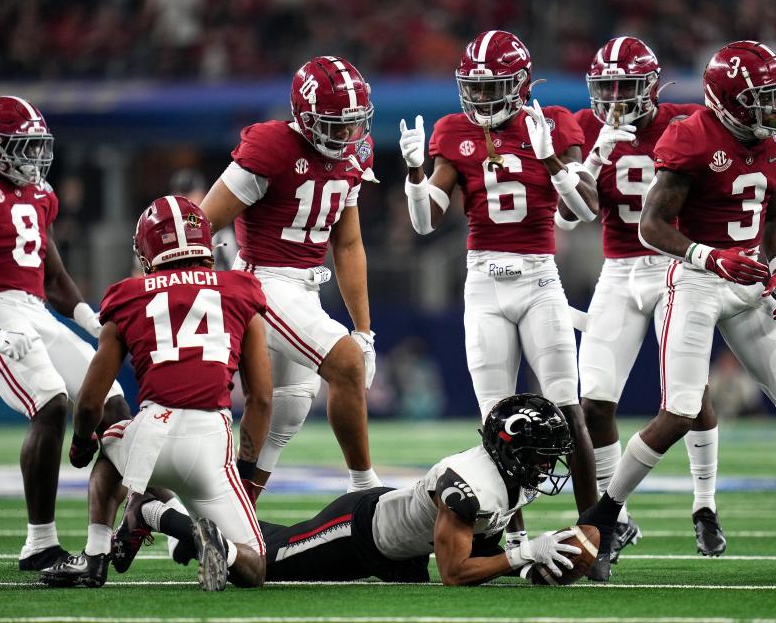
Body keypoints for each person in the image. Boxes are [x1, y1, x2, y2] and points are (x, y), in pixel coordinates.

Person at [578, 41, 776, 581]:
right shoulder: (691, 135)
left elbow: (775, 201)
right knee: (679, 413)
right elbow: (650, 225)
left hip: (751, 278)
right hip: (696, 279)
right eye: (763, 97)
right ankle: (602, 520)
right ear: (731, 101)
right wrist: (709, 256)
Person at [398, 30, 600, 519]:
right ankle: (509, 534)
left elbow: (587, 208)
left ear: (522, 82)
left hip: (538, 279)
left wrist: (549, 156)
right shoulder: (453, 130)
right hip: (483, 280)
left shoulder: (553, 122)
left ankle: (596, 530)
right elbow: (427, 222)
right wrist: (415, 173)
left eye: (493, 87)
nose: (483, 98)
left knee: (567, 407)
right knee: (495, 420)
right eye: (475, 87)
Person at [0, 96, 130, 571]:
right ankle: (39, 541)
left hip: (32, 307)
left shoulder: (39, 195)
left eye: (37, 147)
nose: (33, 158)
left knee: (112, 400)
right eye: (22, 147)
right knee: (51, 400)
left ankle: (119, 530)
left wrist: (93, 323)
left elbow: (54, 277)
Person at [40, 195, 271, 590]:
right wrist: (246, 470)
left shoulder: (128, 295)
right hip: (211, 442)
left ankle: (99, 553)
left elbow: (92, 400)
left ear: (147, 252)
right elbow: (262, 398)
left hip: (151, 435)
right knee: (253, 567)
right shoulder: (241, 288)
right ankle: (216, 545)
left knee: (110, 445)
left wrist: (81, 443)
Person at [570, 37, 724, 564]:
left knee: (687, 393)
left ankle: (704, 503)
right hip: (617, 270)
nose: (615, 97)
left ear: (654, 86)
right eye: (606, 87)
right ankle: (619, 520)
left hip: (676, 267)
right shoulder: (588, 129)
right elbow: (573, 215)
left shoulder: (687, 121)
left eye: (626, 86)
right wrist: (595, 157)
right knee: (594, 402)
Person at [199, 56, 380, 496]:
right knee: (344, 364)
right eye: (334, 123)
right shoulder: (271, 145)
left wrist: (364, 330)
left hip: (305, 285)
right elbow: (203, 221)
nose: (344, 134)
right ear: (303, 115)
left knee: (290, 409)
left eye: (352, 123)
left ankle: (233, 514)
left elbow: (349, 244)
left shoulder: (357, 152)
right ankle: (365, 487)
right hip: (263, 280)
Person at [259, 394, 585, 585]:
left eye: (550, 457)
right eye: (540, 456)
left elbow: (503, 511)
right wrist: (523, 555)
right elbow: (454, 573)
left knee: (279, 544)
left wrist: (520, 547)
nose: (546, 466)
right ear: (510, 450)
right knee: (261, 565)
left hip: (409, 548)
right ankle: (220, 539)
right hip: (359, 532)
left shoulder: (518, 473)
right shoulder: (467, 486)